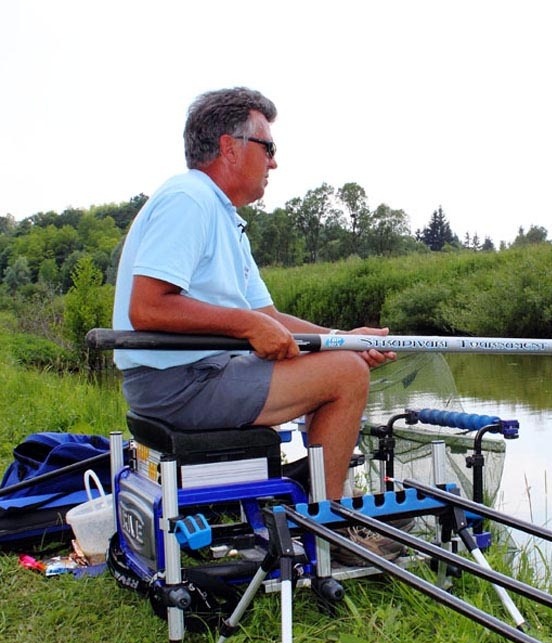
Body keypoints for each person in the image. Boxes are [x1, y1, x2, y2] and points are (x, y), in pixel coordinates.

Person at [112, 87, 395, 501]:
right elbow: (148, 307)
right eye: (268, 147)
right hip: (174, 384)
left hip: (202, 374)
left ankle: (316, 503)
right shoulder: (189, 199)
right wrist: (247, 324)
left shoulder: (224, 215)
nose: (274, 162)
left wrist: (344, 338)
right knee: (347, 374)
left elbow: (269, 316)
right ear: (229, 147)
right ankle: (332, 527)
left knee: (343, 360)